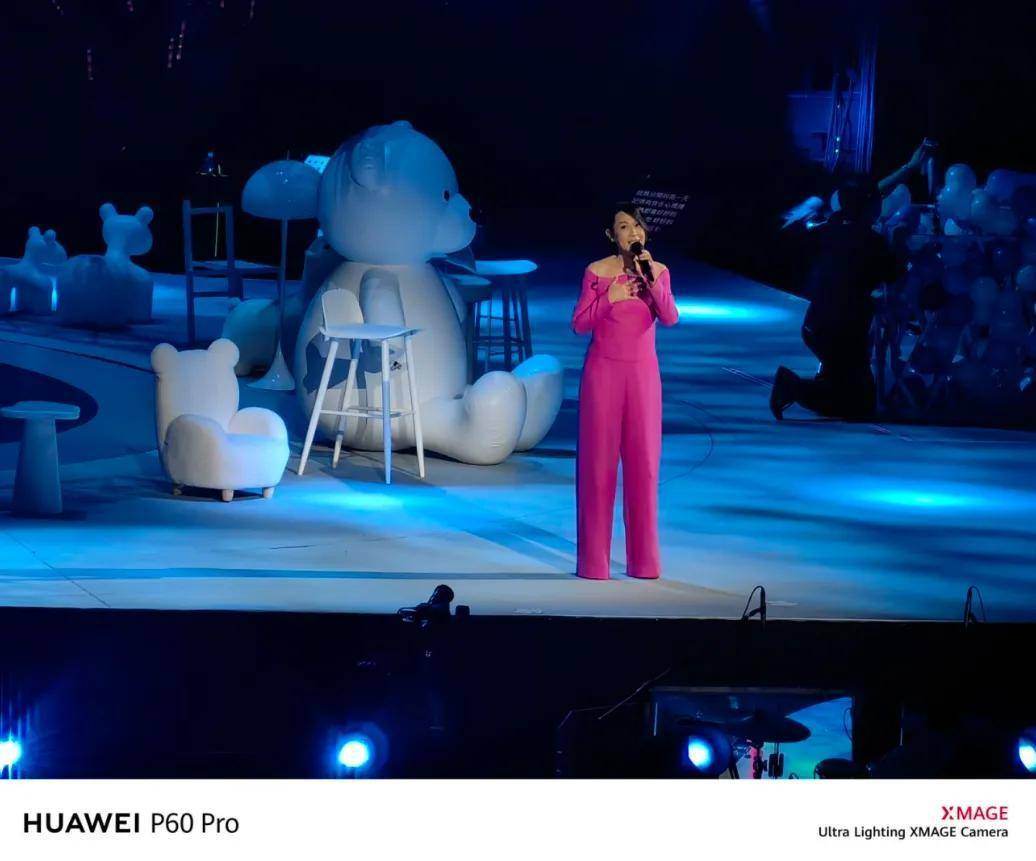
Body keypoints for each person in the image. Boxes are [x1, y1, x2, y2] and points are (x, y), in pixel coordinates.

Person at [572, 204, 679, 580]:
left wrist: (651, 281)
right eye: (623, 227)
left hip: (643, 379)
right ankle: (593, 563)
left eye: (637, 226)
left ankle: (644, 561)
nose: (633, 232)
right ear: (611, 235)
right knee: (597, 468)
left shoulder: (658, 270)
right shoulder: (597, 272)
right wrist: (610, 298)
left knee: (644, 468)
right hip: (603, 376)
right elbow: (579, 324)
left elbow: (670, 317)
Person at [770, 176, 901, 421]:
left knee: (850, 388)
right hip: (841, 331)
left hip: (816, 325)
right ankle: (792, 386)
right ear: (869, 206)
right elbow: (895, 274)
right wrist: (901, 243)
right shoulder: (871, 243)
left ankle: (825, 383)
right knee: (860, 405)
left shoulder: (832, 227)